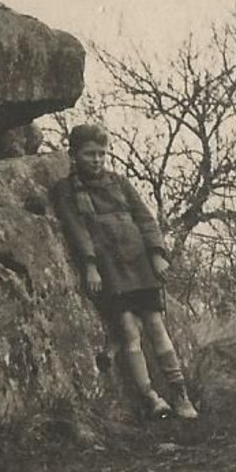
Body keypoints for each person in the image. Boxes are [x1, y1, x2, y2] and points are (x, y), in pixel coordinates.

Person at [51, 123, 199, 420]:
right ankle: (151, 397)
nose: (96, 160)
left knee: (156, 327)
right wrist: (91, 265)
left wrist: (157, 254)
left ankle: (180, 393)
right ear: (74, 155)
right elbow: (77, 230)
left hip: (139, 260)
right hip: (109, 267)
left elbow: (145, 218)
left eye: (101, 154)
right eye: (89, 154)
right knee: (130, 331)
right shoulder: (66, 190)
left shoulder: (119, 182)